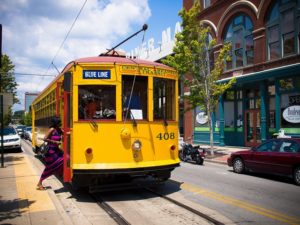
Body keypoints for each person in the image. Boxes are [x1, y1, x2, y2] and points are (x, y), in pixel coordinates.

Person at [36, 116, 64, 190]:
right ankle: (40, 183)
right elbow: (45, 138)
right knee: (50, 167)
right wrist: (54, 141)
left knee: (66, 158)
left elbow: (66, 133)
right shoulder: (52, 129)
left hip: (57, 150)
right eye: (59, 122)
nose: (60, 123)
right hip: (51, 151)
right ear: (55, 123)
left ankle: (61, 173)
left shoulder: (59, 129)